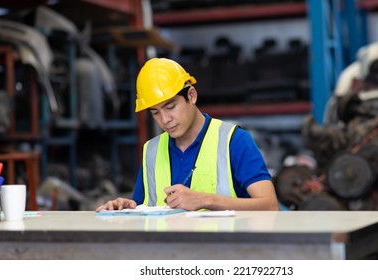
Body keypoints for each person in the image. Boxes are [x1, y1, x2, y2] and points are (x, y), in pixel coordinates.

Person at [96, 57, 278, 211]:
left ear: (191, 95)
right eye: (155, 112)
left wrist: (207, 200)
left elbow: (269, 206)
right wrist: (129, 207)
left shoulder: (234, 141)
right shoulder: (151, 150)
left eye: (170, 106)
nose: (165, 119)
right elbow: (147, 207)